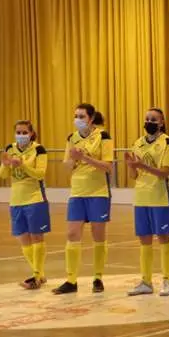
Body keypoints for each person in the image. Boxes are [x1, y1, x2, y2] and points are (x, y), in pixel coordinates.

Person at [53, 103, 113, 294]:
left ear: (91, 118)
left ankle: (98, 277)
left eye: (81, 116)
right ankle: (71, 280)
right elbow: (67, 166)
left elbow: (107, 166)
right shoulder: (72, 138)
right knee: (72, 234)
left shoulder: (103, 136)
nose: (77, 120)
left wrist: (85, 158)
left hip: (97, 192)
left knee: (98, 235)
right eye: (76, 116)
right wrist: (73, 159)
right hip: (77, 192)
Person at [125, 108, 169, 297]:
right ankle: (146, 281)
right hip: (141, 197)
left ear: (161, 122)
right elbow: (134, 175)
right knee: (144, 240)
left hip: (158, 197)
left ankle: (166, 281)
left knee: (163, 237)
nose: (149, 122)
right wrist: (131, 166)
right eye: (146, 118)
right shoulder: (137, 143)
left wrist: (142, 165)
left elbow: (164, 173)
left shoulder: (167, 143)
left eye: (153, 119)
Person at [0, 121, 51, 290]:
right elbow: (2, 175)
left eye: (24, 132)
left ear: (31, 133)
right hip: (16, 200)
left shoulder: (39, 150)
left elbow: (40, 173)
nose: (21, 135)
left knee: (36, 237)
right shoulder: (10, 148)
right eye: (18, 132)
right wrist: (6, 165)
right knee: (23, 238)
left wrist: (23, 165)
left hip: (35, 198)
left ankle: (36, 275)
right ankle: (39, 274)